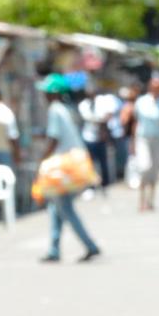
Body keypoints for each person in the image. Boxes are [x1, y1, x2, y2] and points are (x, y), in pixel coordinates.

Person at [39, 75, 102, 263]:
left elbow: (54, 138)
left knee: (64, 207)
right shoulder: (66, 109)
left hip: (64, 167)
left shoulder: (55, 110)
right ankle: (54, 249)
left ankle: (89, 245)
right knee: (56, 207)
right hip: (71, 164)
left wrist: (43, 159)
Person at [130, 74, 159, 213]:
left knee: (154, 172)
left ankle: (150, 200)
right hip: (143, 138)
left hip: (157, 139)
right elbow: (135, 122)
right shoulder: (141, 101)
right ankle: (141, 199)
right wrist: (133, 142)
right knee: (145, 167)